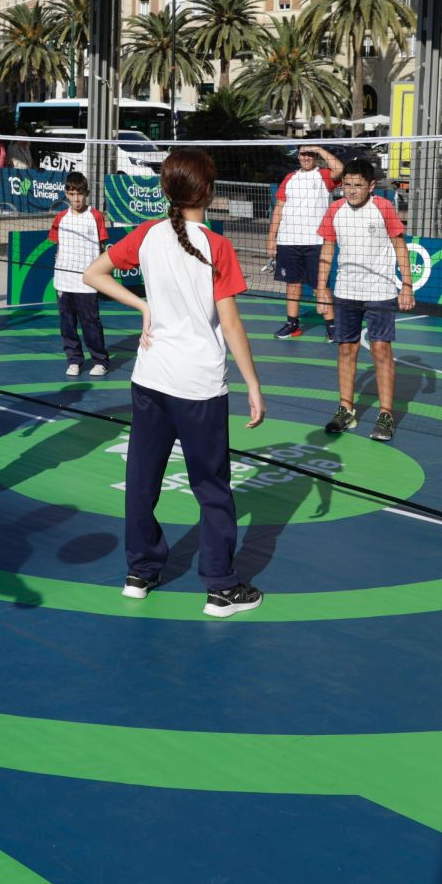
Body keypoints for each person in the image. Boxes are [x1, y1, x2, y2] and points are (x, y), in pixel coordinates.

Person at [82, 149, 266, 617]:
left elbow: (93, 274)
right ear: (208, 190)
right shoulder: (217, 246)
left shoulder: (147, 235)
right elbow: (232, 324)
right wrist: (254, 385)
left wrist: (142, 307)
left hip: (151, 378)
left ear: (167, 189)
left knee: (143, 478)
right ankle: (220, 587)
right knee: (212, 487)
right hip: (199, 384)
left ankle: (139, 572)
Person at [312, 157, 415, 443]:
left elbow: (400, 247)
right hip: (346, 292)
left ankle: (385, 415)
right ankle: (346, 409)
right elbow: (327, 250)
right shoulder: (335, 210)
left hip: (380, 292)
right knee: (346, 350)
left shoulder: (383, 207)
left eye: (358, 185)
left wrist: (406, 286)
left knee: (381, 351)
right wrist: (322, 289)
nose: (352, 191)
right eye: (347, 185)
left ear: (371, 186)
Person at [265, 144, 344, 339]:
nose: (306, 157)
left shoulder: (324, 175)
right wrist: (271, 238)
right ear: (298, 156)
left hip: (316, 242)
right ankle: (292, 324)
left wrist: (318, 148)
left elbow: (340, 169)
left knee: (320, 286)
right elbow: (278, 209)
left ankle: (332, 328)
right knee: (292, 284)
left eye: (310, 154)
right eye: (303, 154)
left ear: (315, 156)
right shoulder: (289, 178)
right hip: (288, 241)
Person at [49, 171, 110, 377]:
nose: (76, 199)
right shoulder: (60, 219)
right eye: (72, 193)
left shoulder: (96, 217)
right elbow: (58, 247)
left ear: (87, 194)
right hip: (64, 281)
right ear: (66, 194)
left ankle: (100, 360)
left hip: (87, 282)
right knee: (67, 324)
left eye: (80, 194)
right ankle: (74, 359)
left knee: (91, 323)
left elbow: (102, 248)